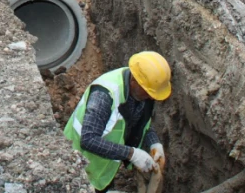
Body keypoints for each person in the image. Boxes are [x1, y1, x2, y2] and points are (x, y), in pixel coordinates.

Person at [64, 52, 171, 193]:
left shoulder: (141, 94)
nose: (151, 97)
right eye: (148, 92)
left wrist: (154, 143)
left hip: (102, 169)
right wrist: (131, 154)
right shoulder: (104, 96)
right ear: (134, 81)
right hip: (76, 167)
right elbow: (88, 139)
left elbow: (138, 121)